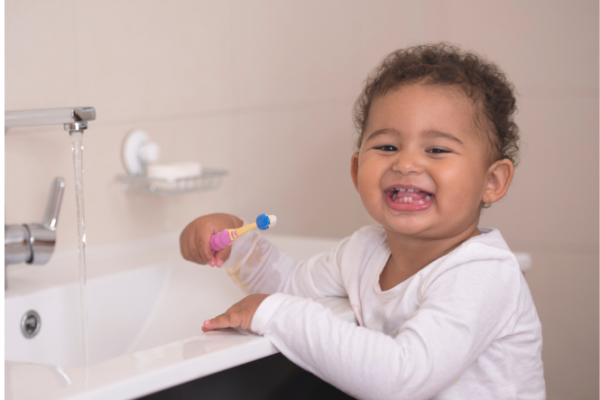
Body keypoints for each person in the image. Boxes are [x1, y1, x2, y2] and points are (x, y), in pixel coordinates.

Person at [179, 43, 545, 399]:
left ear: (491, 182)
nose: (405, 163)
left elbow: (403, 378)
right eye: (387, 147)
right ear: (356, 171)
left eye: (436, 149)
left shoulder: (483, 273)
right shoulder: (363, 251)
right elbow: (289, 286)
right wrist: (238, 247)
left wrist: (275, 313)